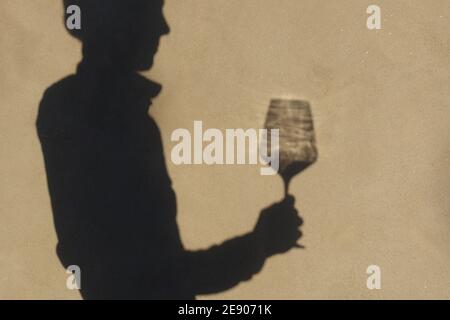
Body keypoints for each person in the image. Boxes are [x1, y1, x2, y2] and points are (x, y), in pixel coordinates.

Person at [36, 0, 303, 299]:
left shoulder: (73, 108)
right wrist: (261, 244)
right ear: (118, 17)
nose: (164, 27)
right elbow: (162, 278)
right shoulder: (104, 116)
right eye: (151, 9)